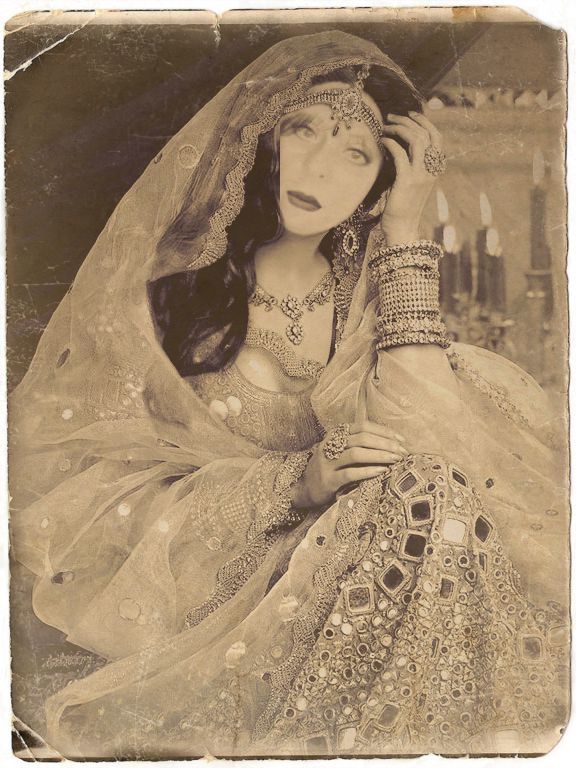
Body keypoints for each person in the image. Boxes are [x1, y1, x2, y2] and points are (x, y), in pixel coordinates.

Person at [8, 30, 569, 759]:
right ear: (263, 138)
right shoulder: (171, 294)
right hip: (216, 588)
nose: (319, 167)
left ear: (379, 184)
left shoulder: (368, 303)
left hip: (362, 577)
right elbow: (96, 490)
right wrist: (294, 483)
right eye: (304, 129)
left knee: (430, 484)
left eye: (356, 153)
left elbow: (432, 432)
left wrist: (404, 229)